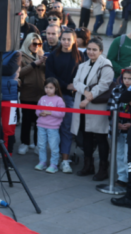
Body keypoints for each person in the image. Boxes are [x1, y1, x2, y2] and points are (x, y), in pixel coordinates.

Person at [72, 37, 113, 180]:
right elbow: (75, 82)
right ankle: (88, 165)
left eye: (94, 49)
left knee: (101, 137)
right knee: (86, 135)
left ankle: (103, 168)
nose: (91, 52)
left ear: (101, 51)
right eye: (89, 49)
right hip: (82, 104)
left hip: (97, 107)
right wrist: (86, 92)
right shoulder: (83, 65)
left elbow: (104, 85)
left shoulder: (106, 64)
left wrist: (88, 97)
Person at [45, 29, 84, 173]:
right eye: (64, 39)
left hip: (70, 97)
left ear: (74, 40)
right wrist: (64, 84)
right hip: (53, 96)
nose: (66, 42)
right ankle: (52, 159)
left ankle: (65, 160)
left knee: (67, 129)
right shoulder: (53, 55)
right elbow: (49, 74)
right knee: (51, 129)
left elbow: (83, 74)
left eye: (69, 39)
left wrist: (74, 85)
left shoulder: (80, 55)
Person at [18, 33, 46, 155]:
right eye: (34, 43)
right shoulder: (20, 55)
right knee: (26, 120)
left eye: (39, 44)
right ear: (28, 43)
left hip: (41, 93)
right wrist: (35, 64)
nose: (36, 46)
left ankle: (36, 143)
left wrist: (44, 62)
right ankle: (25, 142)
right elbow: (19, 73)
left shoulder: (43, 55)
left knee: (39, 121)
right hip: (27, 93)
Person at [34, 78, 66, 174]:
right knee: (41, 145)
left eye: (51, 87)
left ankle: (54, 164)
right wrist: (40, 113)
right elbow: (37, 110)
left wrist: (49, 112)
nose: (48, 89)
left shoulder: (59, 100)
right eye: (46, 87)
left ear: (56, 88)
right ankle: (42, 162)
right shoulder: (42, 98)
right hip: (41, 125)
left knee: (53, 146)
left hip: (53, 127)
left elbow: (62, 113)